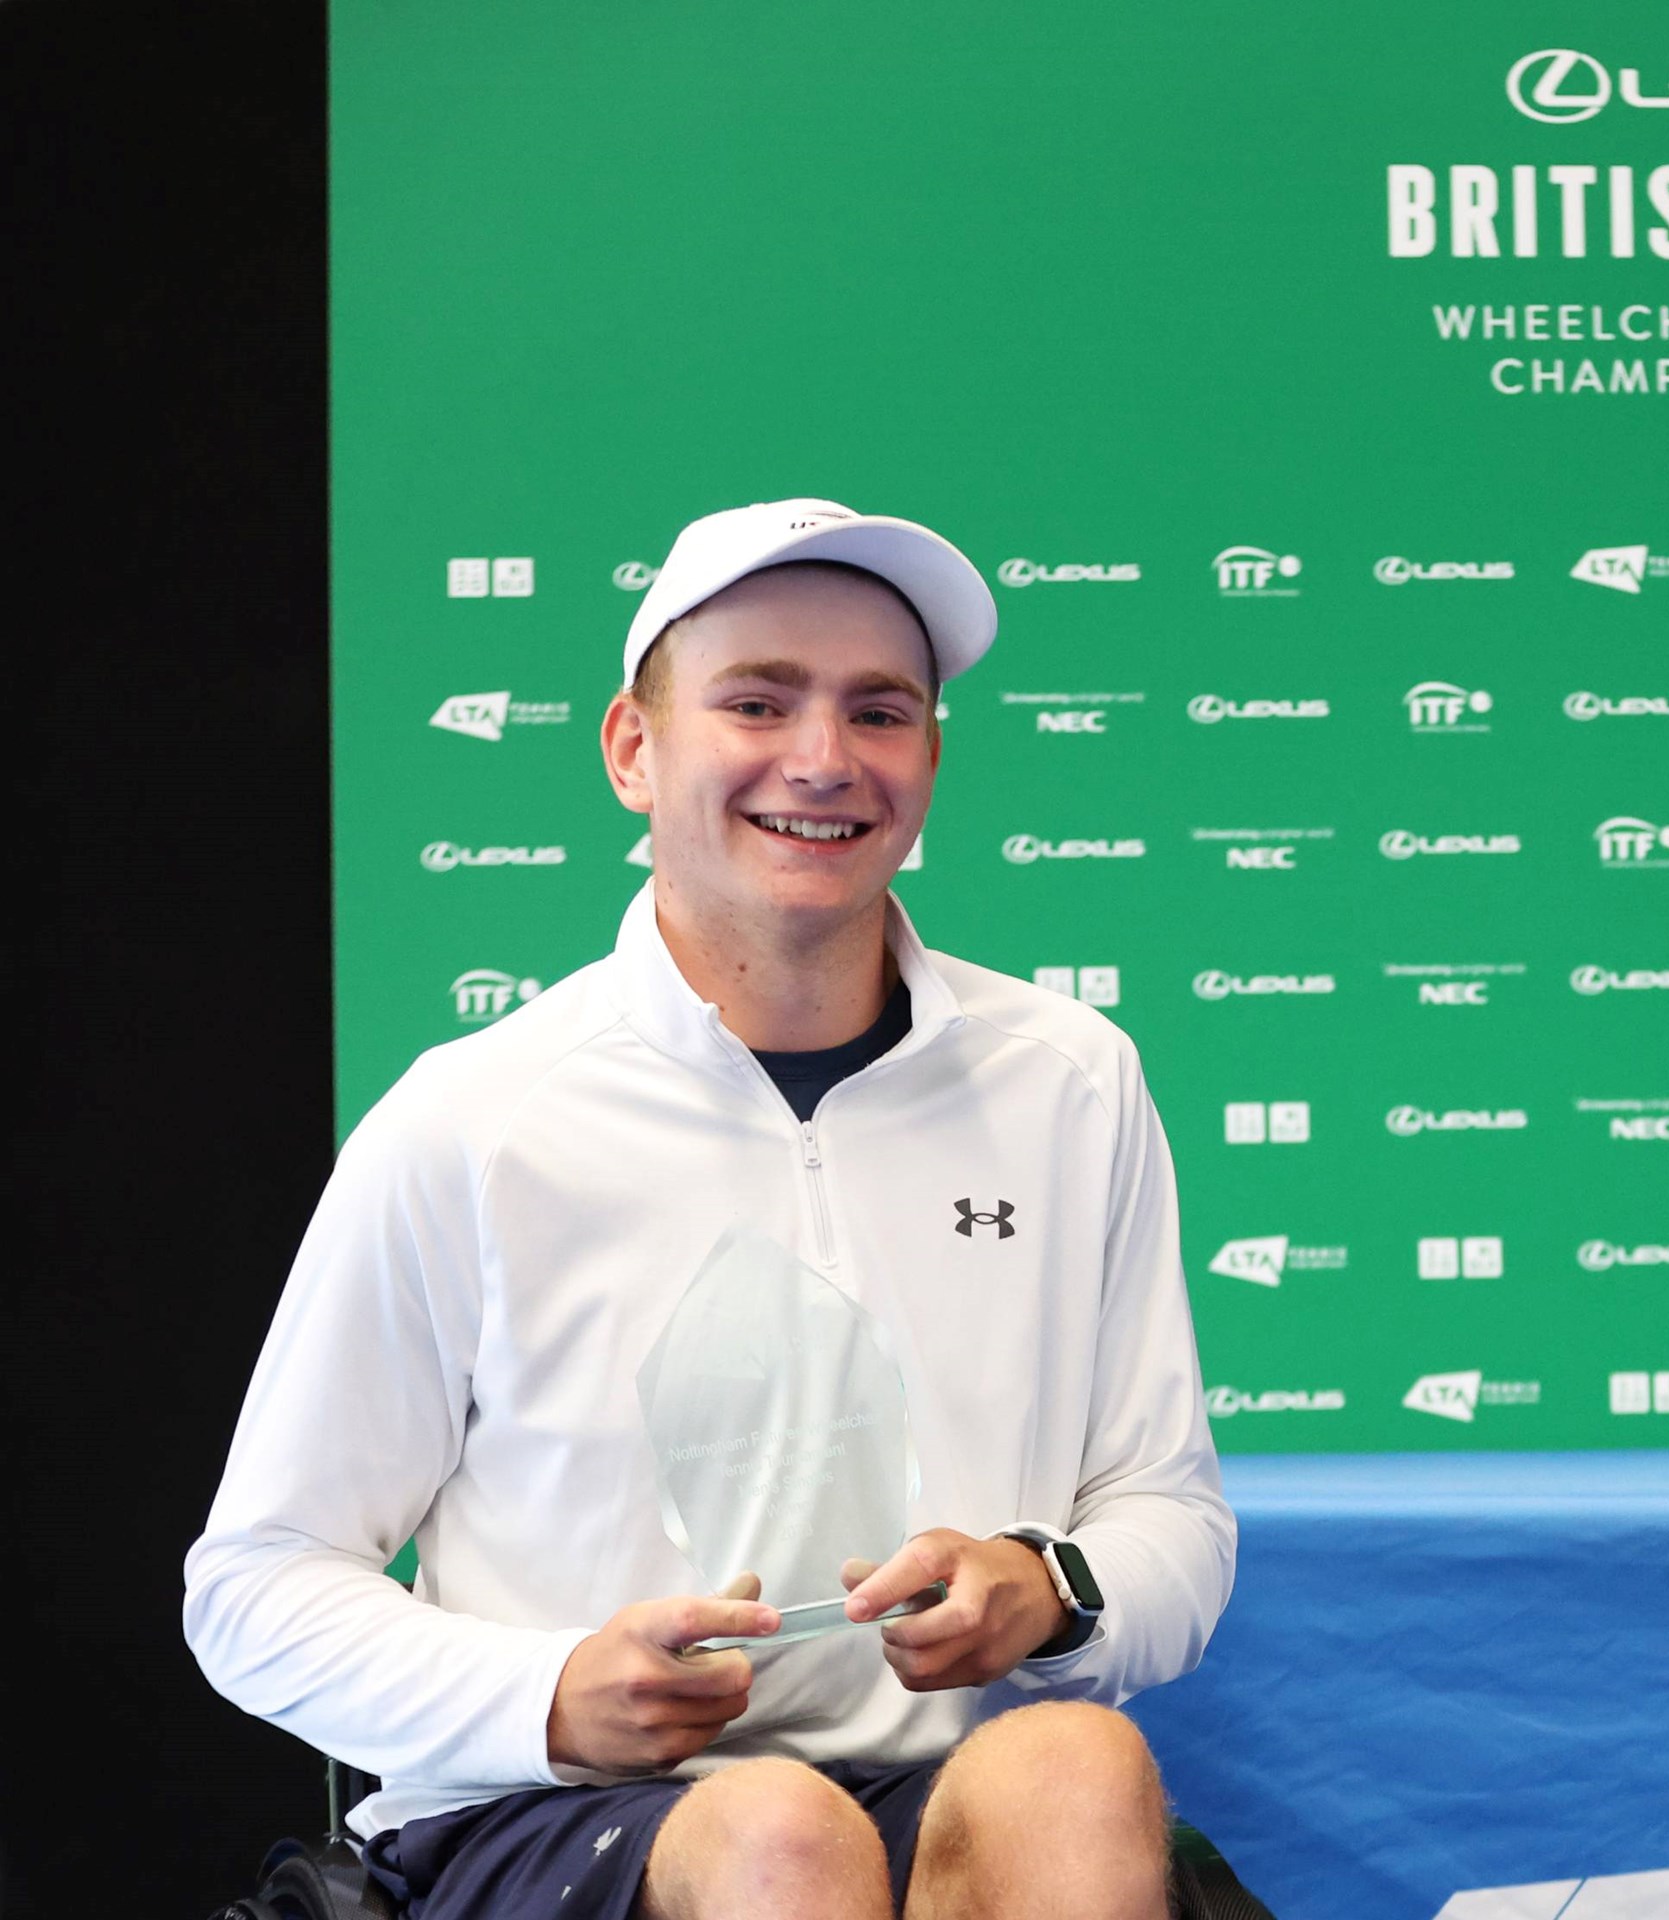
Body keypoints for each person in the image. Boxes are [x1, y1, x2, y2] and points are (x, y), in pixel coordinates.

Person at [185, 500, 1234, 1920]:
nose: (824, 759)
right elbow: (256, 1584)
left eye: (880, 710)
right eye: (757, 700)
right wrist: (548, 1692)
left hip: (925, 1789)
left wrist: (1051, 1591)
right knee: (774, 1836)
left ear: (930, 757)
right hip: (543, 1812)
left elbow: (1170, 1518)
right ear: (634, 747)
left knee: (1075, 1768)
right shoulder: (479, 1114)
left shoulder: (1071, 1081)